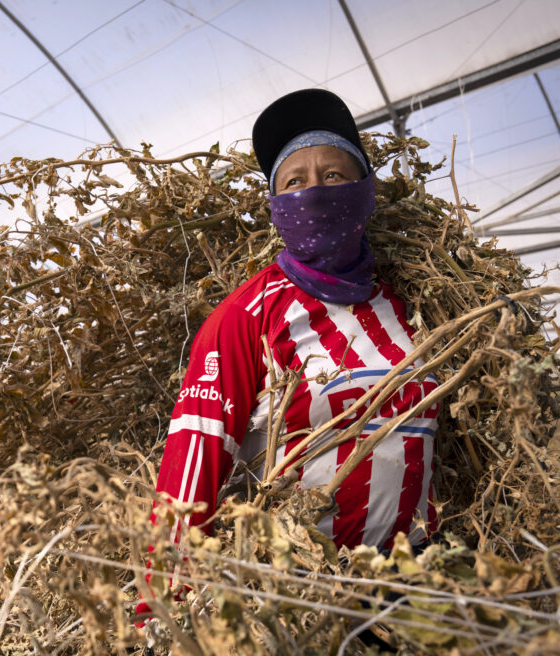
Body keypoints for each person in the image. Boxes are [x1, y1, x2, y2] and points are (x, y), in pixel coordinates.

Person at [148, 89, 441, 561]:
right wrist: (161, 607)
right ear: (275, 207)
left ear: (365, 192)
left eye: (332, 174)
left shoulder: (409, 303)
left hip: (417, 576)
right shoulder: (246, 317)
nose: (315, 192)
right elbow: (189, 477)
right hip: (305, 599)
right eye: (293, 182)